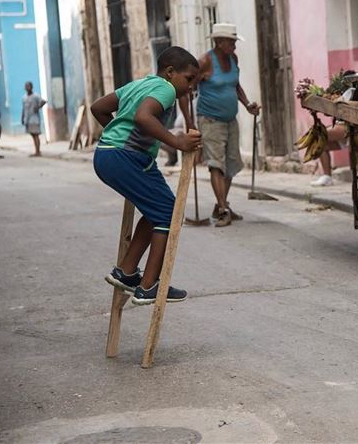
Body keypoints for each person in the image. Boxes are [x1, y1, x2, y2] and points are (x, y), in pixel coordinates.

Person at [91, 46, 202, 305]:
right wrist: (177, 142)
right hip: (126, 158)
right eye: (188, 80)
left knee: (157, 211)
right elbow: (143, 117)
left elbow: (98, 108)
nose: (190, 87)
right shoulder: (164, 88)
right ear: (170, 72)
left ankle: (127, 272)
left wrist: (116, 133)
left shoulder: (139, 85)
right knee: (169, 213)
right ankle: (148, 286)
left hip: (109, 155)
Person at [181, 23, 260, 228]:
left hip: (230, 119)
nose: (234, 45)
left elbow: (235, 85)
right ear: (219, 42)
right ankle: (224, 209)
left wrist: (247, 104)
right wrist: (190, 122)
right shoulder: (205, 61)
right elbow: (187, 89)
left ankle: (220, 205)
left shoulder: (233, 59)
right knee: (216, 163)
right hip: (209, 120)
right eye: (231, 42)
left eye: (234, 41)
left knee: (231, 165)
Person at [21, 81, 47, 157]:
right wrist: (22, 117)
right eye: (26, 86)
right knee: (32, 135)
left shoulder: (36, 96)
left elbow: (43, 101)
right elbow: (23, 108)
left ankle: (37, 151)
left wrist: (38, 107)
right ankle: (37, 150)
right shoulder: (24, 97)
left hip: (34, 119)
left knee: (36, 135)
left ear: (31, 87)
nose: (27, 88)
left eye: (29, 86)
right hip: (27, 119)